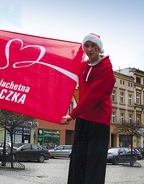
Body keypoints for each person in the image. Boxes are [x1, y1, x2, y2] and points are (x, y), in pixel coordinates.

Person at [61, 33, 115, 184]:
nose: (90, 49)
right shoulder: (83, 66)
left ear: (99, 48)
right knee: (78, 158)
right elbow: (65, 69)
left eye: (93, 46)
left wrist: (72, 115)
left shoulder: (106, 69)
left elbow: (92, 96)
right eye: (87, 46)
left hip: (99, 121)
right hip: (83, 118)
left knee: (94, 163)